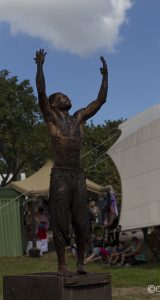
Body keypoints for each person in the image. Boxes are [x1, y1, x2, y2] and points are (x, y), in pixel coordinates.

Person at [34, 49, 108, 275]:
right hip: (61, 176)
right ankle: (62, 264)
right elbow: (41, 91)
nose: (68, 97)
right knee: (60, 221)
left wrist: (105, 77)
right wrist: (39, 67)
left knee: (82, 221)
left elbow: (100, 101)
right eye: (63, 96)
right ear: (54, 104)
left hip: (77, 175)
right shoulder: (51, 117)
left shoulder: (78, 118)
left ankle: (81, 262)